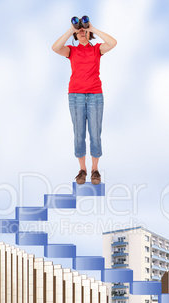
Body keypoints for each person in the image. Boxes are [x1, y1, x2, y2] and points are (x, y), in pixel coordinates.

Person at [52, 19, 117, 184]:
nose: (81, 32)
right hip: (76, 96)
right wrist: (71, 29)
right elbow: (55, 48)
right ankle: (82, 170)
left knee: (95, 134)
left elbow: (113, 42)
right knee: (79, 134)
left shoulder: (97, 49)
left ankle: (95, 170)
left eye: (84, 30)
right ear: (75, 33)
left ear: (89, 32)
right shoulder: (71, 51)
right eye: (78, 30)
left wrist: (92, 28)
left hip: (95, 95)